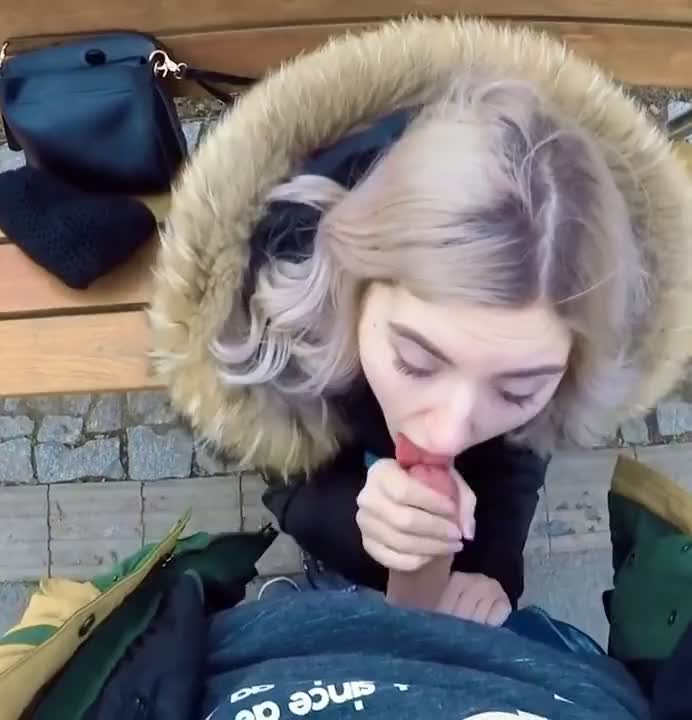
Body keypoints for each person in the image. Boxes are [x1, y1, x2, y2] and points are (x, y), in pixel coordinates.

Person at [149, 17, 692, 623]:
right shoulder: (270, 282)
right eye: (416, 360)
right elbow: (272, 445)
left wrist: (492, 566)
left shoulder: (578, 310)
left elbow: (522, 451)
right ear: (350, 284)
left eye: (518, 389)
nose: (447, 434)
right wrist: (350, 521)